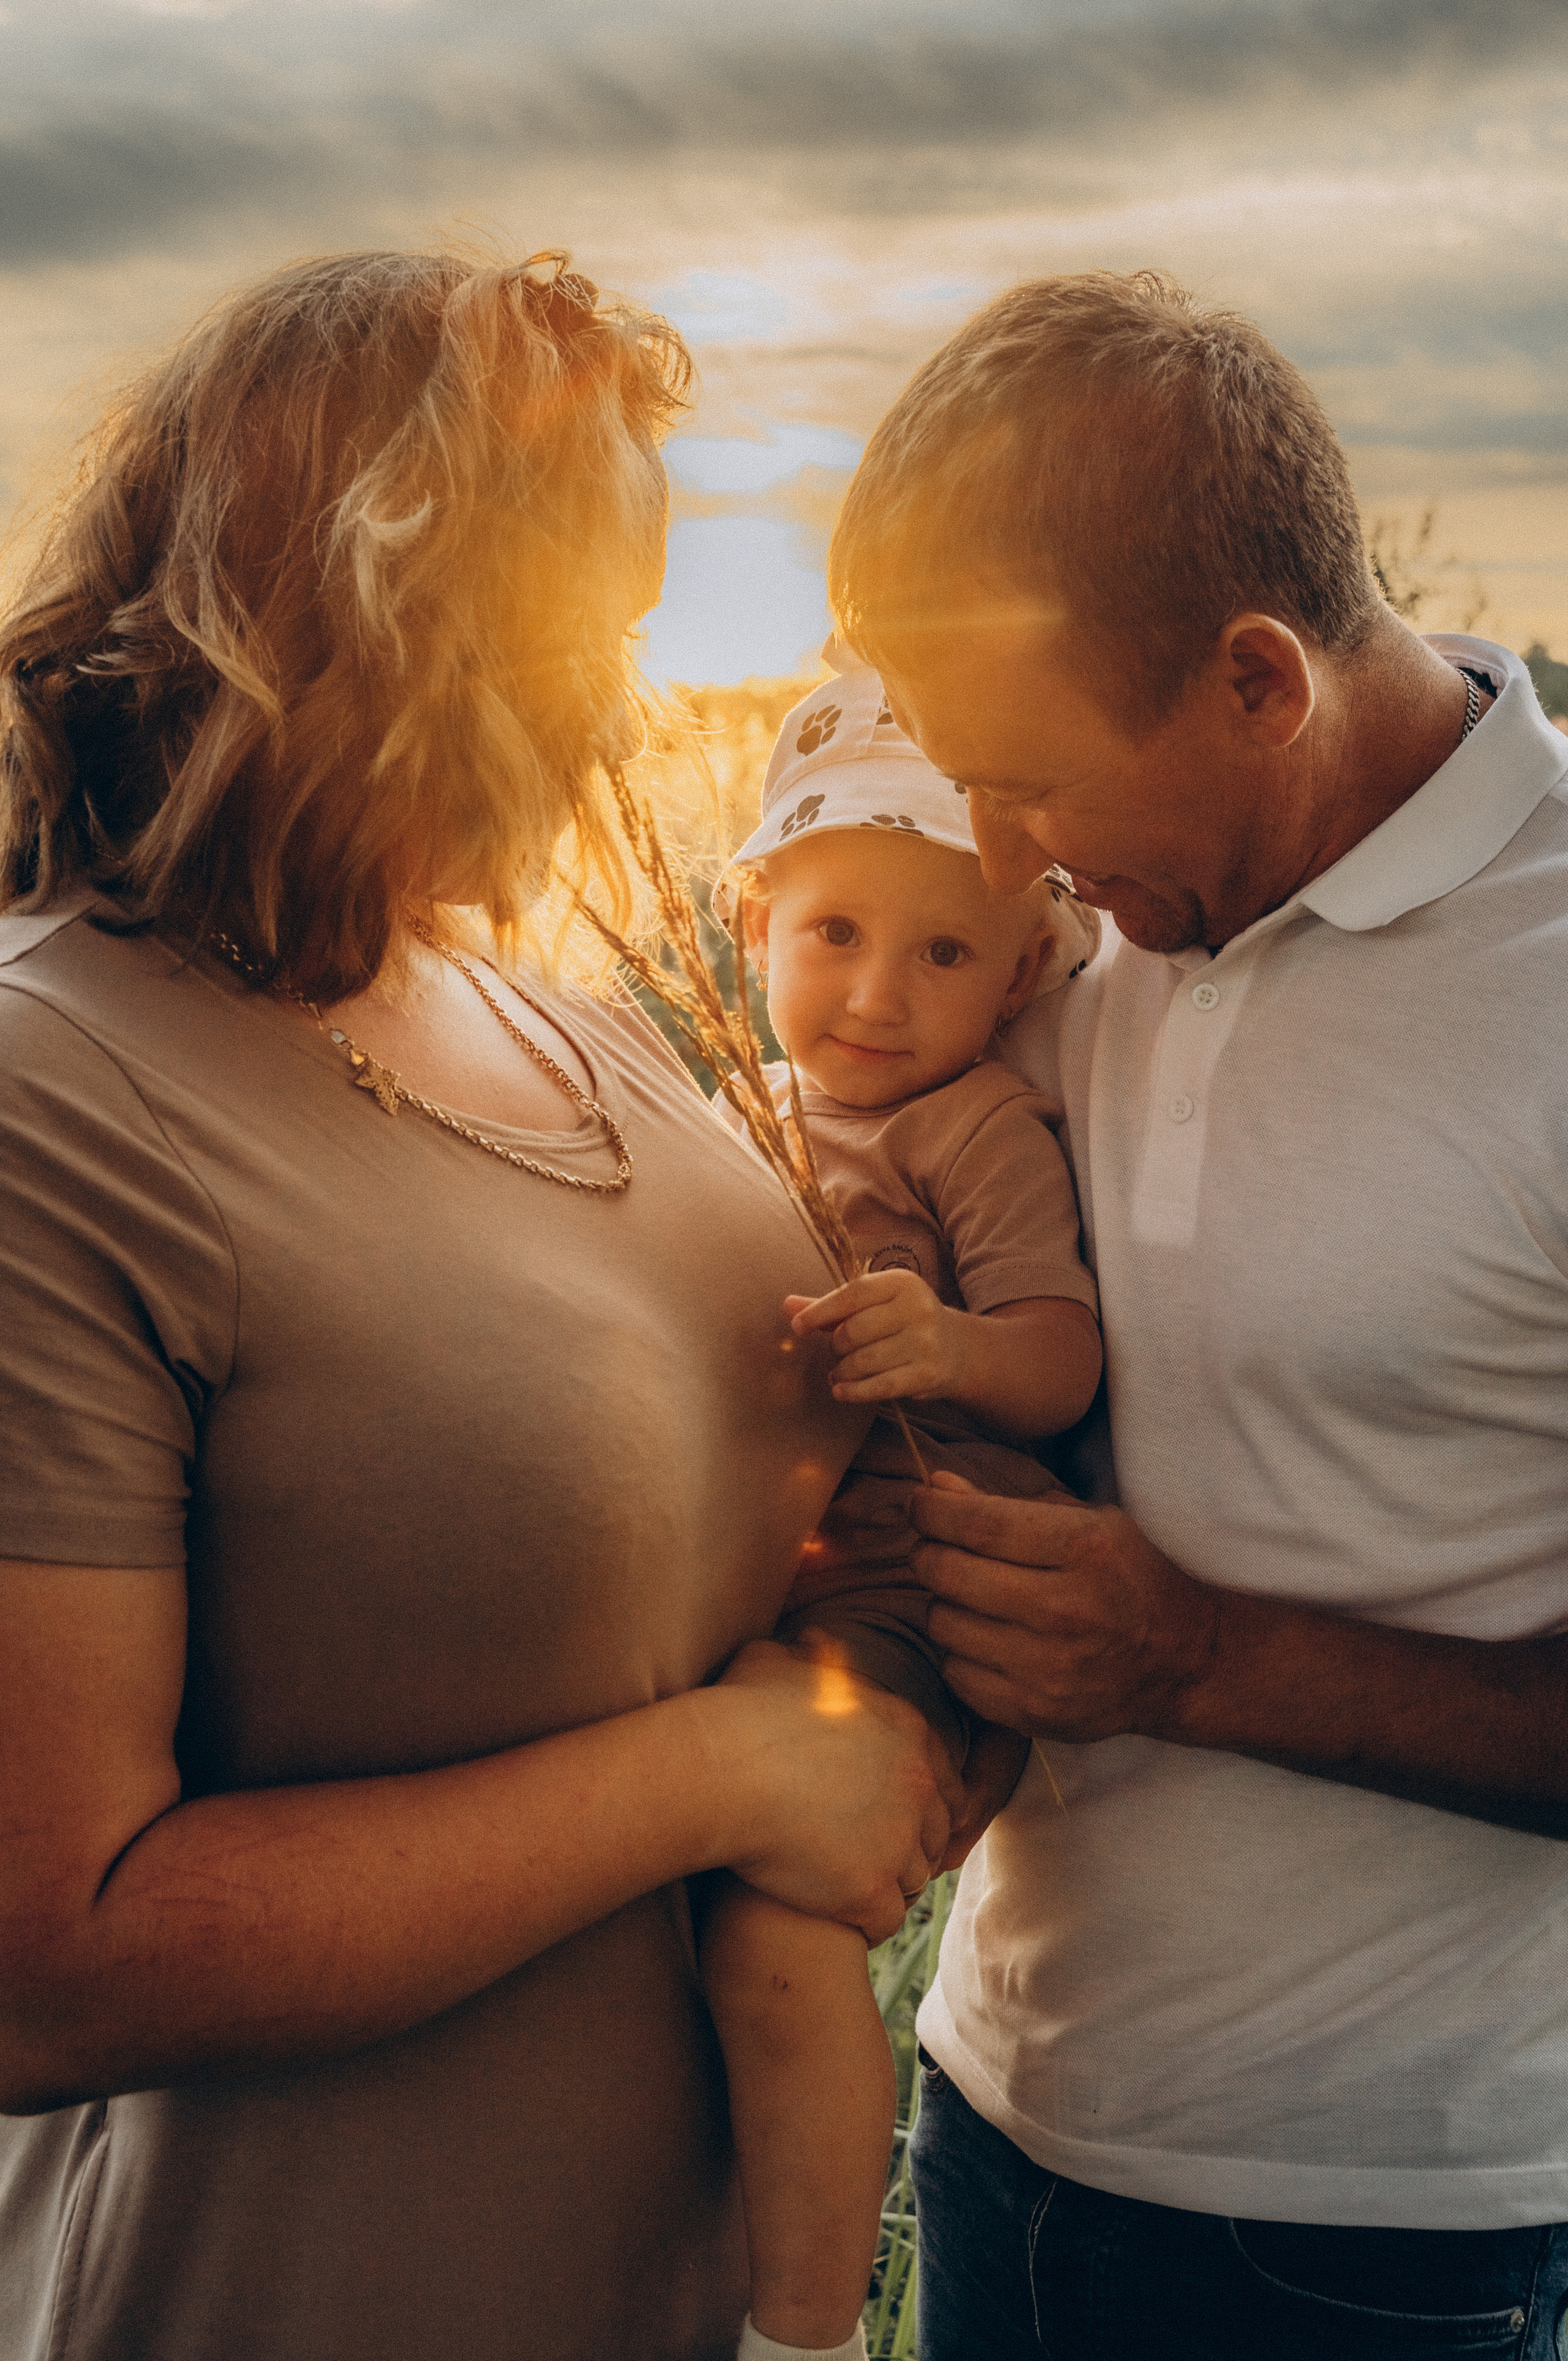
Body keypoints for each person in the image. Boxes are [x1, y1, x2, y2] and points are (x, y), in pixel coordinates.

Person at [0, 248, 963, 2361]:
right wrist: (723, 1776)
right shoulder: (50, 1094)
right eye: (581, 629)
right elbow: (41, 1964)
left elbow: (793, 1521)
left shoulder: (545, 1008)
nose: (623, 706)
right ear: (376, 608)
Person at [823, 269, 1568, 2359]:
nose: (995, 861)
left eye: (1031, 785)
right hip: (992, 2122)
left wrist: (1202, 1659)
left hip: (1378, 2246)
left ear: (1259, 678)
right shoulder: (1080, 945)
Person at [696, 662, 1103, 2361]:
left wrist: (948, 1345)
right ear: (757, 923)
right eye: (836, 932)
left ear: (1022, 971)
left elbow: (1061, 1361)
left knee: (773, 1932)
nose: (875, 994)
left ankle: (802, 2326)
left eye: (944, 953)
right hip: (775, 1570)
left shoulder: (970, 1126)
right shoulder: (739, 1108)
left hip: (917, 1578)